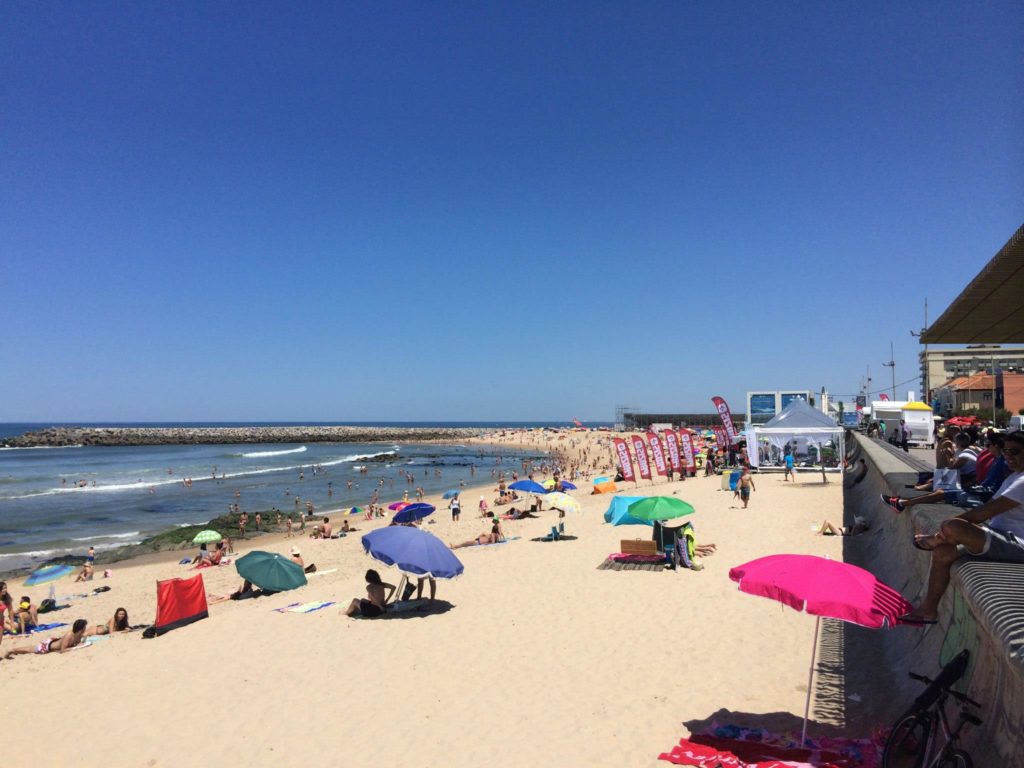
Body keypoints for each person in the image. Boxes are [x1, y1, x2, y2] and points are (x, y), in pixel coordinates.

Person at [900, 431, 1024, 624]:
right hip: (1000, 536)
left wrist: (945, 529)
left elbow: (982, 514)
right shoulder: (1015, 477)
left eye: (1014, 451)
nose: (1008, 456)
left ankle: (934, 539)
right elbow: (986, 509)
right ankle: (928, 611)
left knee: (953, 526)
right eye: (1006, 451)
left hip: (1016, 543)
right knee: (943, 552)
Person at [883, 435, 1008, 513]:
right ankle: (901, 502)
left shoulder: (1004, 463)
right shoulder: (998, 460)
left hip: (983, 495)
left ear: (996, 446)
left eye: (988, 445)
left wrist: (947, 455)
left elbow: (950, 468)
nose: (987, 448)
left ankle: (901, 503)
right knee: (938, 490)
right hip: (980, 490)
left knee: (940, 493)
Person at [6, 619, 88, 658]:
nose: (85, 628)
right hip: (47, 645)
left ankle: (15, 651)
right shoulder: (69, 635)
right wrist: (75, 648)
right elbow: (62, 651)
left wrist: (82, 642)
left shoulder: (79, 635)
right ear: (81, 629)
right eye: (84, 627)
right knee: (30, 649)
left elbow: (76, 644)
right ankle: (12, 650)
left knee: (30, 649)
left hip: (55, 642)